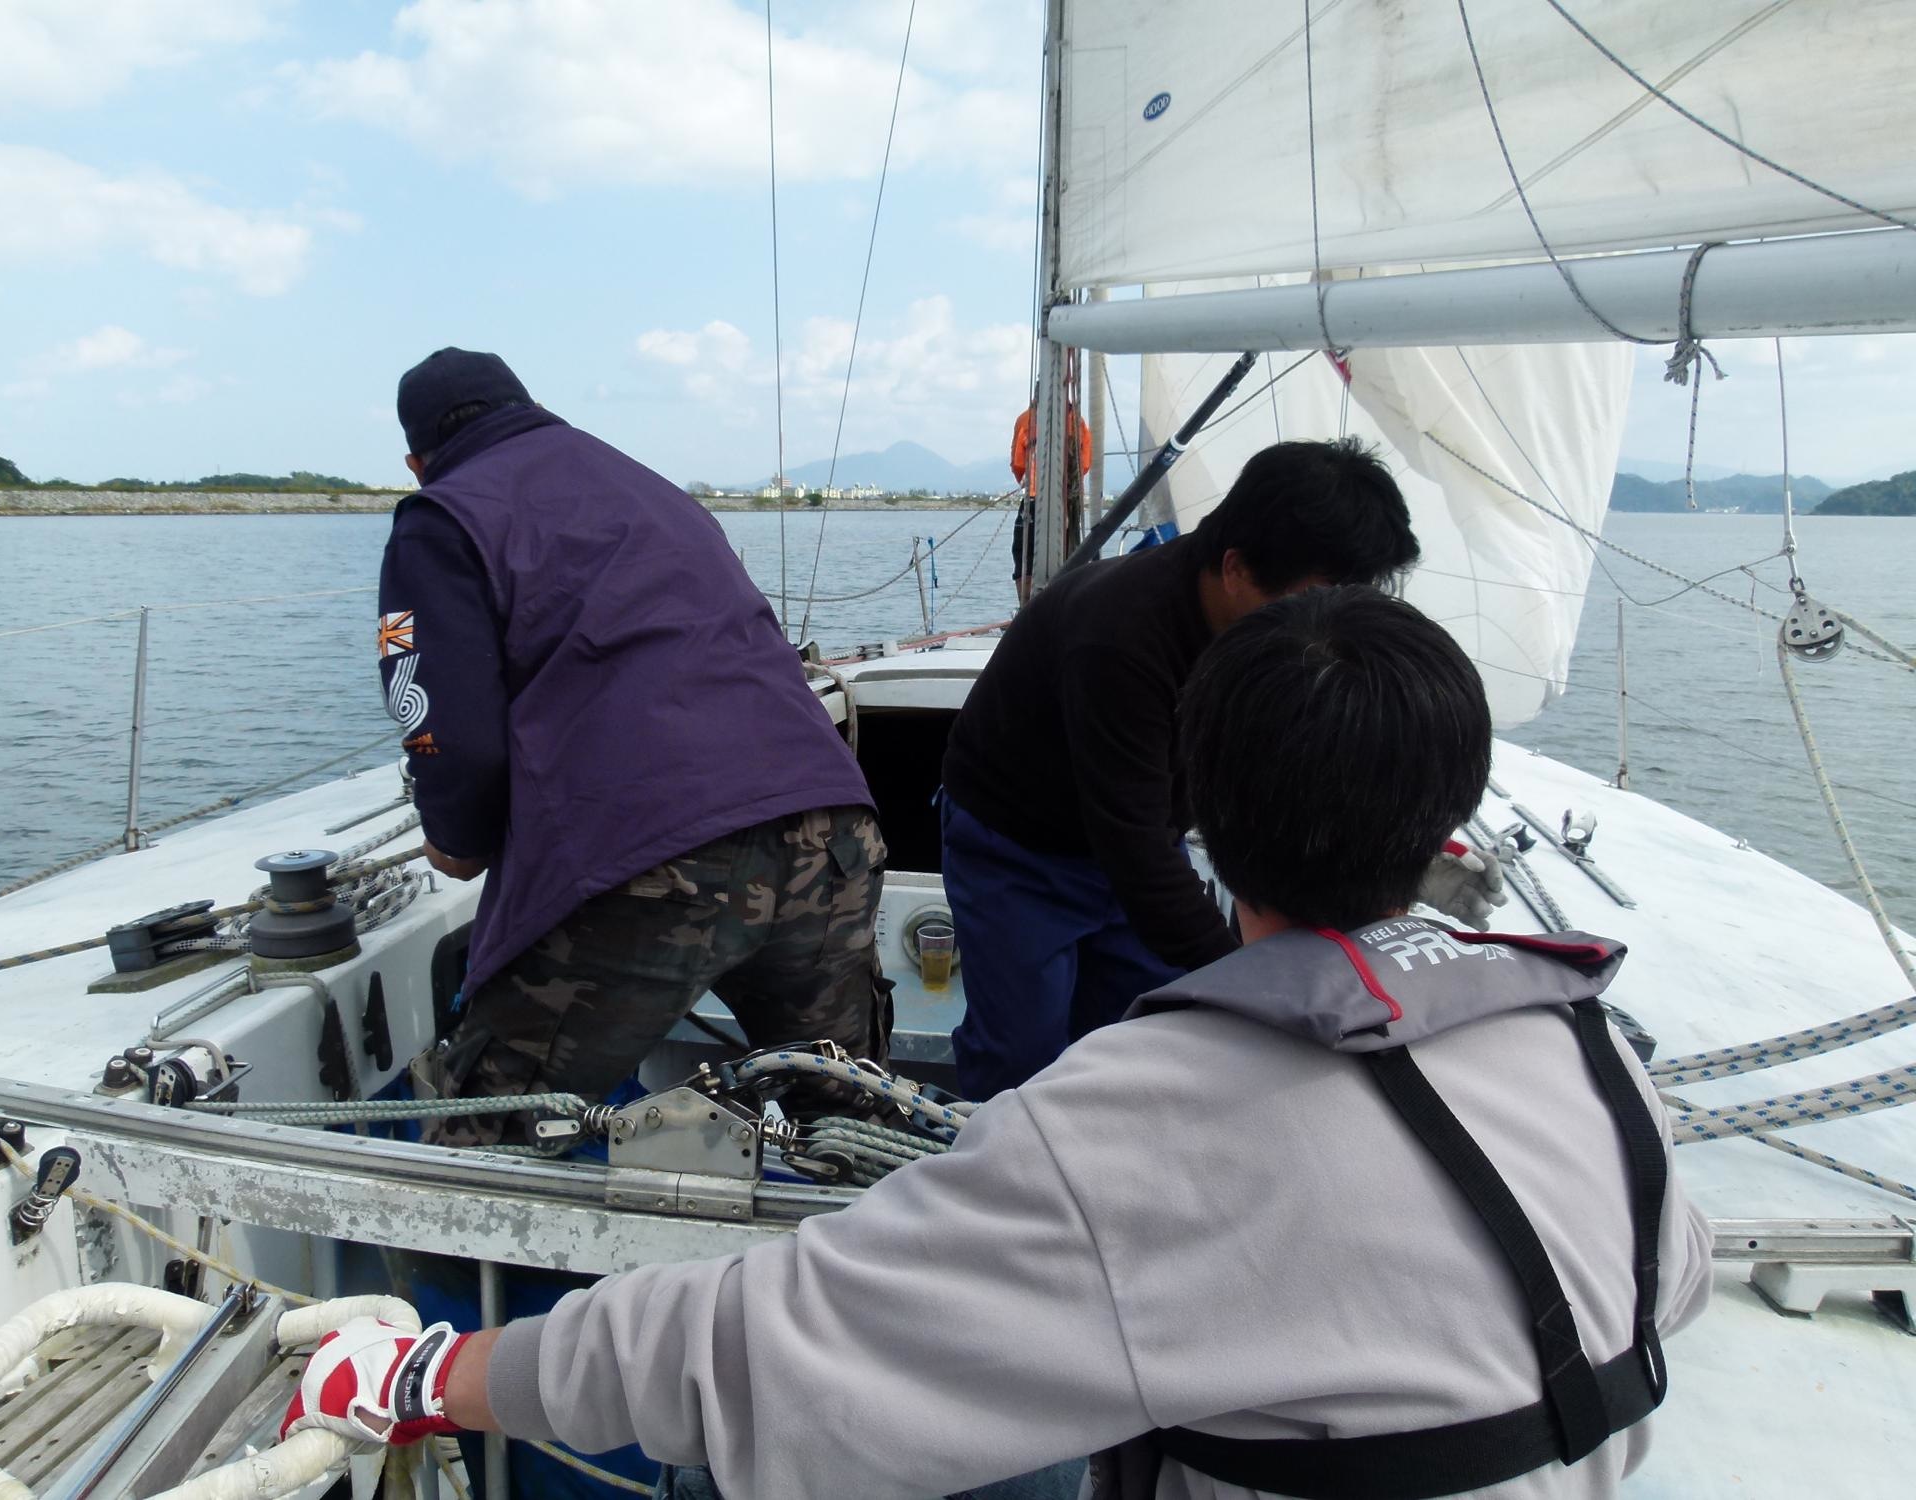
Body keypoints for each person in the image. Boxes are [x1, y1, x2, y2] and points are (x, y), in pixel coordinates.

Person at [287, 586, 1713, 1500]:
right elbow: (1674, 1284)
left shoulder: (1137, 1122)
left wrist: (426, 1379)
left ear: (1200, 814)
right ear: (1449, 820)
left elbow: (760, 1351)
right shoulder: (1595, 1055)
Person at [378, 348, 888, 1132]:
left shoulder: (442, 515)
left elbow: (446, 724)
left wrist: (457, 838)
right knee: (849, 1125)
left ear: (418, 463)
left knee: (485, 1129)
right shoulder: (652, 489)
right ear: (529, 409)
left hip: (656, 852)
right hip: (833, 830)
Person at [943, 436, 1500, 1102]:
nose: (1332, 622)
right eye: (1318, 597)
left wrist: (1401, 857)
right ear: (1236, 568)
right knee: (1020, 1051)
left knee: (1141, 1031)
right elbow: (1137, 852)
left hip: (1144, 832)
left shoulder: (1283, 633)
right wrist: (1260, 985)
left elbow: (1304, 767)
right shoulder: (1118, 637)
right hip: (1020, 845)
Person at [1009, 389, 1093, 605]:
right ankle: (1062, 604)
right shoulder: (1078, 422)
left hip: (1034, 498)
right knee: (1068, 552)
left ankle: (1027, 607)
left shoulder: (1026, 420)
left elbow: (1018, 464)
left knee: (1024, 554)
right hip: (1067, 502)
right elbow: (1084, 464)